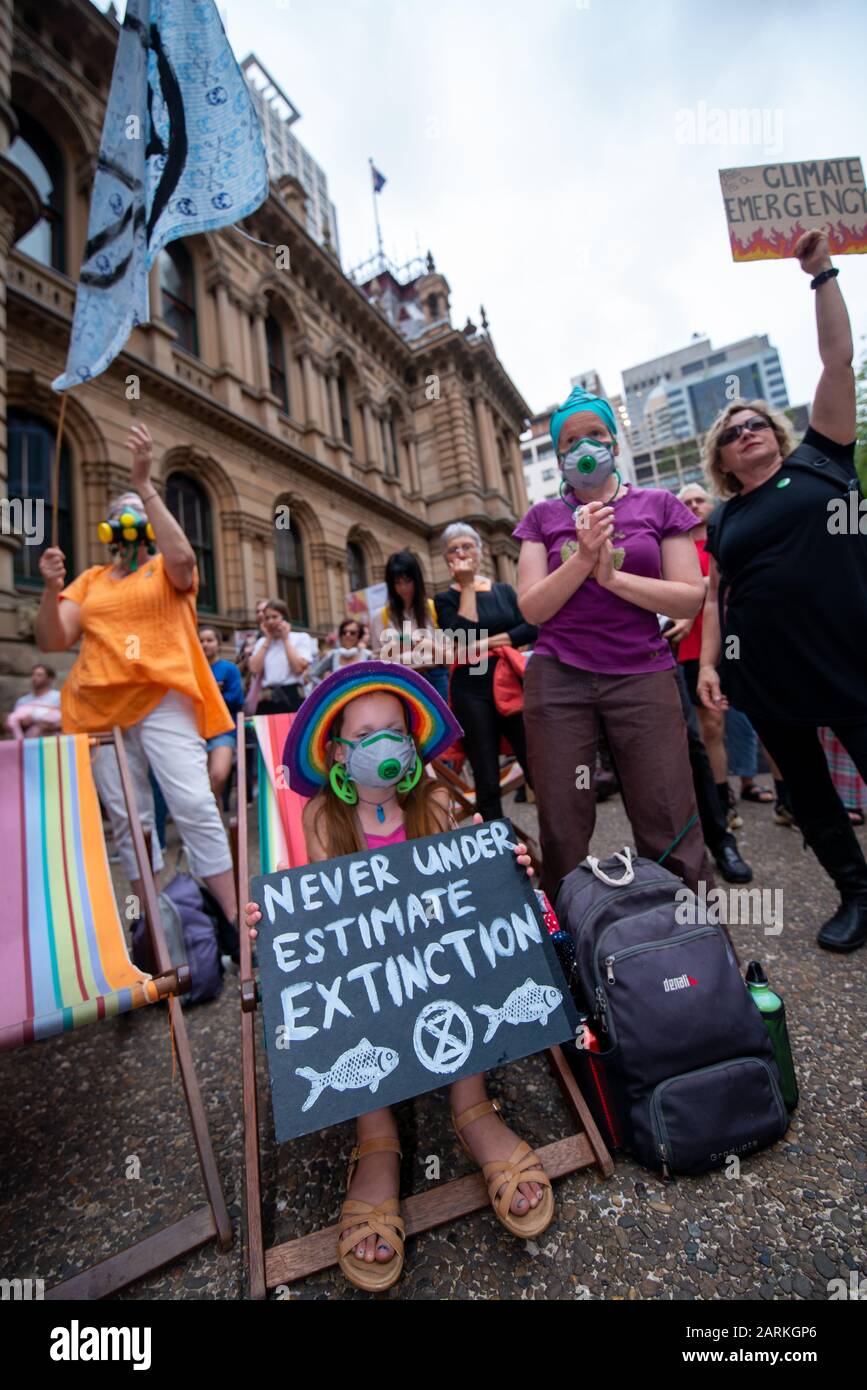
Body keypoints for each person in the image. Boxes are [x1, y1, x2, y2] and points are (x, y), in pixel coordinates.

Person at [244, 662, 554, 1292]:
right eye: (366, 734)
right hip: (372, 990)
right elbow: (325, 922)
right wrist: (275, 926)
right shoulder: (323, 819)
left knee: (462, 952)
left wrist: (502, 871)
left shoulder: (437, 800)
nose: (382, 746)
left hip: (440, 978)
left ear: (412, 744)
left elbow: (464, 905)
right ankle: (376, 1133)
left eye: (394, 730)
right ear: (337, 752)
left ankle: (472, 1108)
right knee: (349, 973)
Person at [698, 229, 867, 953]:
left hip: (851, 654)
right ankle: (855, 894)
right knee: (807, 791)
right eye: (732, 432)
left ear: (774, 430)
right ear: (723, 461)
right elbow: (713, 595)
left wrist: (820, 272)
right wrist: (708, 665)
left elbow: (836, 360)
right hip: (767, 677)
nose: (744, 431)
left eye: (753, 422)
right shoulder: (724, 516)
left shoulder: (823, 461)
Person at [34, 422, 237, 927]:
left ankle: (240, 920)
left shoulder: (164, 570)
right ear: (105, 531)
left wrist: (146, 485)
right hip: (98, 710)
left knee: (193, 803)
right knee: (131, 823)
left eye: (135, 510)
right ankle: (152, 928)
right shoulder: (92, 580)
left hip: (163, 698)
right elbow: (53, 639)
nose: (125, 518)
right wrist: (50, 586)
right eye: (117, 512)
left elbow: (186, 559)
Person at [515, 385, 712, 897]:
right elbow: (533, 608)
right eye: (572, 441)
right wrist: (582, 558)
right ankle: (567, 943)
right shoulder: (541, 519)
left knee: (668, 816)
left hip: (642, 673)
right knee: (562, 821)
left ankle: (696, 948)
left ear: (615, 444)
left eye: (596, 435)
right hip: (559, 678)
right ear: (559, 458)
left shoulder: (661, 505)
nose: (585, 448)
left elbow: (689, 599)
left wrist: (615, 580)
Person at [434, 524, 536, 819]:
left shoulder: (504, 591)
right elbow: (460, 636)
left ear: (480, 551)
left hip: (512, 681)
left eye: (467, 546)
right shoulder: (444, 600)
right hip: (472, 686)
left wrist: (485, 642)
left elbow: (530, 627)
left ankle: (559, 847)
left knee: (535, 762)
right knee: (486, 774)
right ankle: (499, 855)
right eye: (454, 549)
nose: (461, 553)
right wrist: (466, 586)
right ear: (446, 558)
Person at [376, 550, 449, 702]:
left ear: (417, 580)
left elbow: (450, 659)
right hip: (400, 681)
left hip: (435, 678)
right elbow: (377, 661)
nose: (403, 588)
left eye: (407, 581)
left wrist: (430, 646)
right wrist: (394, 649)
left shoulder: (434, 609)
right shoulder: (381, 616)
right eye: (397, 583)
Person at [199, 626, 244, 804]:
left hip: (224, 729)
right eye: (201, 641)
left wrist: (210, 694)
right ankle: (212, 820)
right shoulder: (193, 669)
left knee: (218, 775)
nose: (205, 644)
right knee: (202, 782)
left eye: (210, 640)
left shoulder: (229, 669)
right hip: (198, 729)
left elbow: (236, 699)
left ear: (218, 644)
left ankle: (211, 816)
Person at [248, 598, 313, 714]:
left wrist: (285, 639)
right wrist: (268, 639)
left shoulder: (301, 637)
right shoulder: (262, 642)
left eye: (274, 617)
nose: (271, 622)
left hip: (292, 695)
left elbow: (298, 668)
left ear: (284, 618)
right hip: (267, 699)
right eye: (267, 618)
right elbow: (254, 669)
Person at [5, 663, 62, 738]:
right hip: (30, 745)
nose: (34, 678)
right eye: (33, 674)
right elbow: (14, 726)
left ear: (50, 679)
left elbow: (70, 723)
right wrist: (23, 724)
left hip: (53, 743)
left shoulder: (59, 697)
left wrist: (47, 727)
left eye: (39, 675)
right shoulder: (23, 701)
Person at [308, 616, 371, 682]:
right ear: (340, 635)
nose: (348, 635)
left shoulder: (368, 655)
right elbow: (312, 674)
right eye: (344, 632)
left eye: (352, 632)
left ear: (359, 636)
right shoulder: (333, 655)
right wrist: (326, 689)